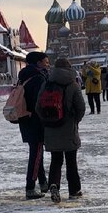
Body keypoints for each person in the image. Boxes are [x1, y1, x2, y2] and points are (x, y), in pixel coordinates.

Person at [43, 57, 87, 203]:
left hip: (51, 128)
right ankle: (74, 191)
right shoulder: (73, 84)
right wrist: (75, 120)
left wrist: (47, 120)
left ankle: (54, 184)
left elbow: (38, 106)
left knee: (56, 160)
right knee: (71, 161)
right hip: (68, 128)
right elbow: (81, 108)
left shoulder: (47, 83)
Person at [17, 51, 50, 199]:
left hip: (26, 119)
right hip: (35, 120)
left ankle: (43, 183)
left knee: (37, 153)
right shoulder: (38, 78)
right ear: (38, 63)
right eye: (45, 61)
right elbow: (40, 102)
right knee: (36, 154)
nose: (47, 64)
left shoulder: (24, 75)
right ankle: (30, 187)